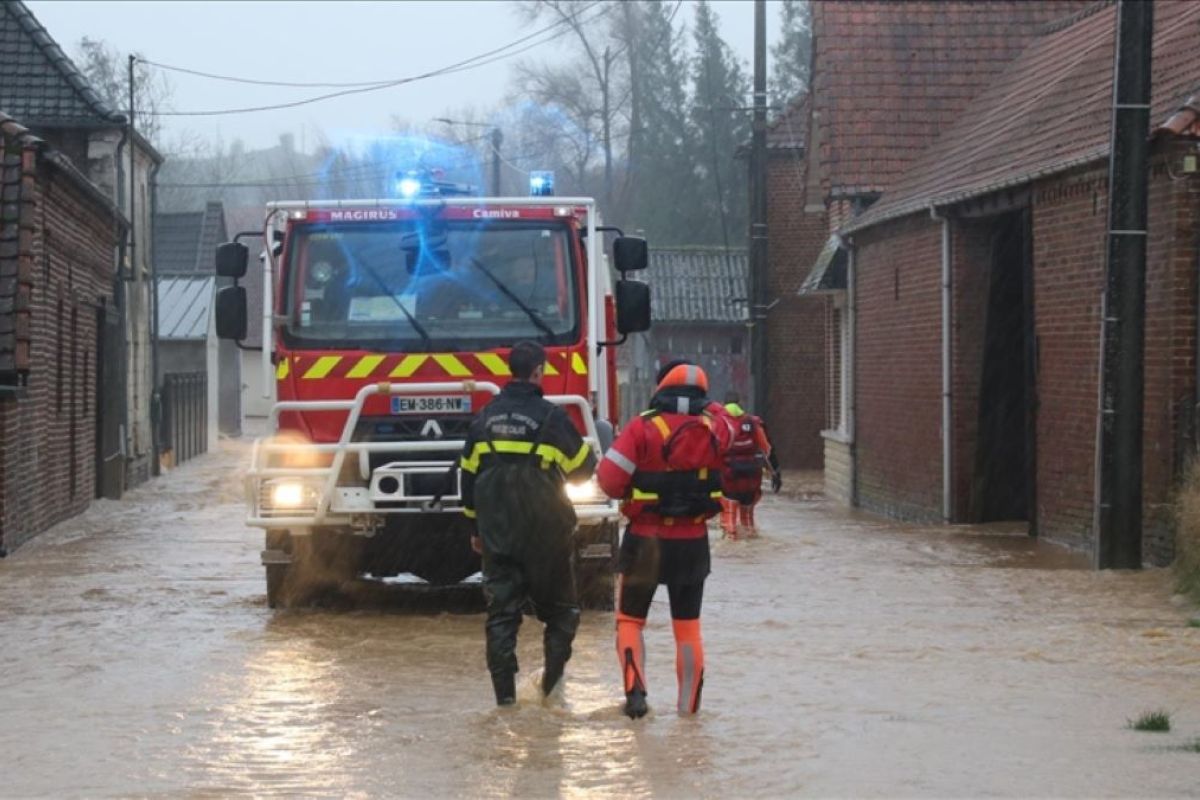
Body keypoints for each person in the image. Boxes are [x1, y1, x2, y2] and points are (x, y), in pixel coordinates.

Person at [459, 340, 598, 706]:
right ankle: (549, 690)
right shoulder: (552, 419)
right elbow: (584, 469)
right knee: (562, 613)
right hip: (547, 535)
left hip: (497, 535)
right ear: (538, 371)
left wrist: (475, 529)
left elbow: (467, 479)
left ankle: (505, 703)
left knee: (501, 618)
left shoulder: (483, 419)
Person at [596, 360, 734, 719]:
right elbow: (737, 435)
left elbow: (609, 481)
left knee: (629, 620)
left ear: (660, 389)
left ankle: (636, 696)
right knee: (687, 629)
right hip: (693, 543)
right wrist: (709, 406)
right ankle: (689, 714)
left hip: (645, 540)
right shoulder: (717, 429)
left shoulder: (642, 428)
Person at [719, 392, 782, 540]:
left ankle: (733, 549)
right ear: (740, 404)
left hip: (729, 477)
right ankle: (752, 550)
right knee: (748, 522)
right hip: (751, 477)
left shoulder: (718, 423)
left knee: (729, 523)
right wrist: (776, 473)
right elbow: (767, 450)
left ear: (724, 404)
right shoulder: (753, 422)